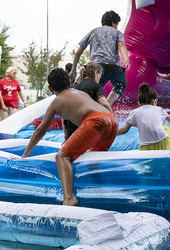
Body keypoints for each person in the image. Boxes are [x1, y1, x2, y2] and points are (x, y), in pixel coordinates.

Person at [21, 68, 117, 206]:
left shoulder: (57, 101)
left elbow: (41, 130)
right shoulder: (81, 93)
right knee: (93, 160)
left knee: (62, 157)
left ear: (49, 88)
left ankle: (69, 198)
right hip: (111, 120)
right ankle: (100, 191)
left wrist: (25, 154)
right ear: (69, 82)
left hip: (96, 121)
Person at [70, 10, 129, 104]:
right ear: (113, 23)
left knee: (91, 91)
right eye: (117, 24)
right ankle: (107, 105)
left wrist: (73, 70)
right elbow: (121, 45)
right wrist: (126, 58)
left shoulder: (93, 31)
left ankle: (90, 108)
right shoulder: (117, 32)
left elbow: (77, 53)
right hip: (114, 68)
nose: (116, 27)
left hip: (96, 67)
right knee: (121, 84)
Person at [116, 83, 170, 150]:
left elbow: (125, 130)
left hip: (145, 146)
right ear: (154, 101)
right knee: (165, 126)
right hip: (163, 141)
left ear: (139, 103)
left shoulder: (134, 112)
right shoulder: (158, 109)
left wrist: (112, 135)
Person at [63, 61, 111, 140]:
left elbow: (64, 113)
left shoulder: (73, 86)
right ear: (95, 72)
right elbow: (104, 104)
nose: (100, 78)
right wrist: (112, 118)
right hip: (85, 127)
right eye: (100, 75)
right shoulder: (96, 86)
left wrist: (66, 135)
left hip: (71, 128)